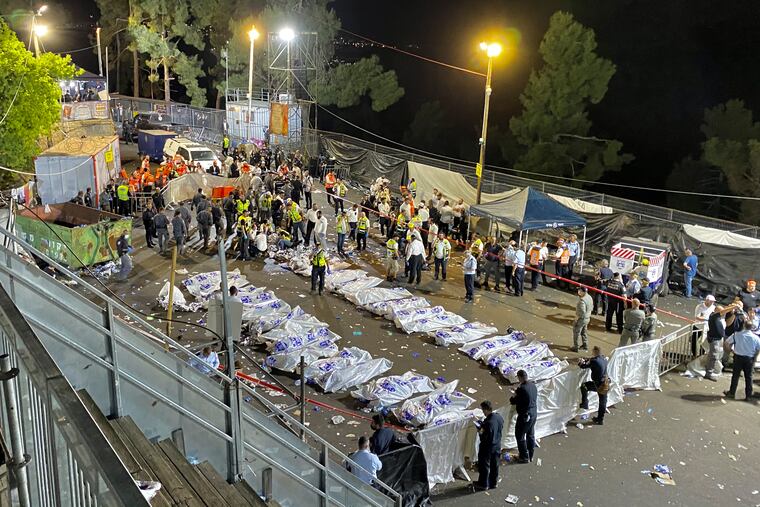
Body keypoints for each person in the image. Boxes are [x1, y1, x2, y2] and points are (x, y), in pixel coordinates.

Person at [723, 319, 760, 400]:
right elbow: (758, 349)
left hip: (738, 357)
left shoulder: (736, 334)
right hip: (749, 358)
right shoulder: (756, 338)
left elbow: (727, 342)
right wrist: (754, 357)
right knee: (749, 377)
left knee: (735, 376)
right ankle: (748, 396)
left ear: (743, 326)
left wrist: (730, 350)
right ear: (752, 327)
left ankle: (732, 393)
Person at [473, 400, 503, 491]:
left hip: (487, 447)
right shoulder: (498, 417)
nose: (483, 413)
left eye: (483, 410)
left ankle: (483, 484)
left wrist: (480, 430)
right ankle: (493, 482)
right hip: (497, 445)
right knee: (495, 464)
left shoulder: (488, 423)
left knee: (484, 465)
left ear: (486, 410)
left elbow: (484, 436)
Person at [510, 370, 537, 463]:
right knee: (530, 434)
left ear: (520, 377)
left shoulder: (522, 389)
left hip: (525, 415)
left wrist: (514, 394)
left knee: (520, 435)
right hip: (533, 413)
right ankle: (531, 454)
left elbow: (513, 401)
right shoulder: (533, 385)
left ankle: (524, 456)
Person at [579, 346, 609, 425]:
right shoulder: (604, 359)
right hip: (605, 382)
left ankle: (584, 403)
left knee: (584, 386)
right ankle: (600, 419)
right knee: (603, 401)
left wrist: (580, 362)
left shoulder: (594, 361)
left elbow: (583, 366)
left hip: (598, 384)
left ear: (595, 352)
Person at [704, 304, 735, 381]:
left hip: (718, 338)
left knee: (714, 355)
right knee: (713, 356)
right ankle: (709, 373)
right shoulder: (714, 316)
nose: (723, 313)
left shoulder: (718, 317)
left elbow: (724, 312)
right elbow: (723, 311)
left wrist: (731, 308)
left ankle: (710, 371)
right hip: (715, 339)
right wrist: (734, 307)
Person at [573, 287, 594, 352]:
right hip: (588, 318)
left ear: (583, 292)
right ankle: (585, 346)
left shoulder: (582, 300)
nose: (578, 292)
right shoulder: (589, 297)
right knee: (584, 332)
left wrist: (576, 320)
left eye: (579, 291)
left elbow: (581, 312)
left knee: (576, 332)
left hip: (582, 319)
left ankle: (576, 347)